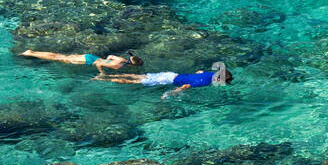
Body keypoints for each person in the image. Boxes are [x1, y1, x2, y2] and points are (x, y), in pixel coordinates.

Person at [96, 68, 233, 100]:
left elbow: (199, 71)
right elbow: (185, 87)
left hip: (171, 74)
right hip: (166, 80)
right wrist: (170, 93)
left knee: (137, 76)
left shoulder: (209, 74)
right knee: (131, 82)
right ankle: (102, 79)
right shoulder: (204, 82)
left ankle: (106, 74)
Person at [20, 49, 143, 72]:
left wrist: (105, 61)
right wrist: (101, 73)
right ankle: (31, 53)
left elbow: (110, 56)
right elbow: (98, 64)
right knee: (60, 58)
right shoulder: (118, 66)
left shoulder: (121, 59)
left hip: (91, 56)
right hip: (91, 61)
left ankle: (32, 53)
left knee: (61, 56)